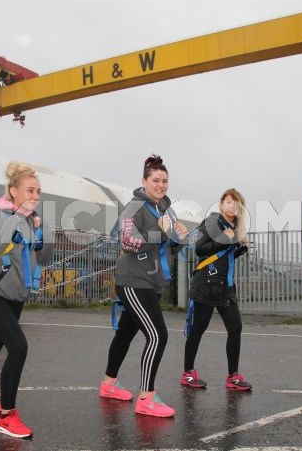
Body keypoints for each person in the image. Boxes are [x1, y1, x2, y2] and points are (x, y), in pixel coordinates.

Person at [0, 161, 53, 438]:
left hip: (16, 296)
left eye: (38, 191)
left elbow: (45, 258)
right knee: (18, 347)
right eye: (30, 190)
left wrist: (43, 233)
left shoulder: (31, 221)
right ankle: (7, 416)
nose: (35, 196)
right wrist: (14, 223)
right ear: (13, 191)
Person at [99, 154, 188, 417]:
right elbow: (126, 240)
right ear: (144, 181)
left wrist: (178, 237)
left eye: (165, 180)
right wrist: (161, 232)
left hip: (151, 281)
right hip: (132, 281)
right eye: (156, 180)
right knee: (158, 335)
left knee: (125, 334)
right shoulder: (135, 207)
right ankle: (146, 397)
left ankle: (109, 384)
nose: (161, 185)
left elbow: (166, 248)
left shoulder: (166, 210)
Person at [181, 188, 252, 391]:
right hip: (207, 285)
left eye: (235, 203)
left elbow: (223, 256)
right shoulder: (212, 222)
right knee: (198, 329)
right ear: (222, 204)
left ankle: (233, 377)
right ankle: (187, 373)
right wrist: (224, 239)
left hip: (225, 286)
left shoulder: (235, 228)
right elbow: (200, 249)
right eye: (228, 202)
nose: (231, 206)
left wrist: (240, 248)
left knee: (235, 328)